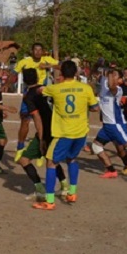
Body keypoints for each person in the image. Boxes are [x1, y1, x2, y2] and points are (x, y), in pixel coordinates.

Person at [33, 60, 99, 210]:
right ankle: (72, 193)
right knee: (72, 159)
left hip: (63, 133)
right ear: (76, 73)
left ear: (61, 73)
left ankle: (50, 201)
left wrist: (41, 88)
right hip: (81, 132)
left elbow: (40, 91)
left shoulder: (55, 89)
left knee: (51, 163)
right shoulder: (86, 88)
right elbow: (95, 108)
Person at [16, 68, 67, 200]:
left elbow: (37, 117)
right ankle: (65, 187)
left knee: (24, 160)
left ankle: (40, 190)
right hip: (57, 127)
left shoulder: (29, 96)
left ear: (24, 81)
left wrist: (41, 137)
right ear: (38, 77)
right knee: (51, 159)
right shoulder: (46, 89)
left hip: (45, 130)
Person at [13, 43, 59, 160]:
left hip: (42, 93)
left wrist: (48, 65)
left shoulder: (46, 59)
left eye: (40, 50)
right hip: (29, 93)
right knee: (25, 120)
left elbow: (62, 66)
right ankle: (20, 147)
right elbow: (13, 73)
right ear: (31, 51)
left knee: (44, 121)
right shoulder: (24, 62)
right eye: (35, 50)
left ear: (43, 51)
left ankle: (42, 149)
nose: (38, 52)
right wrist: (6, 84)